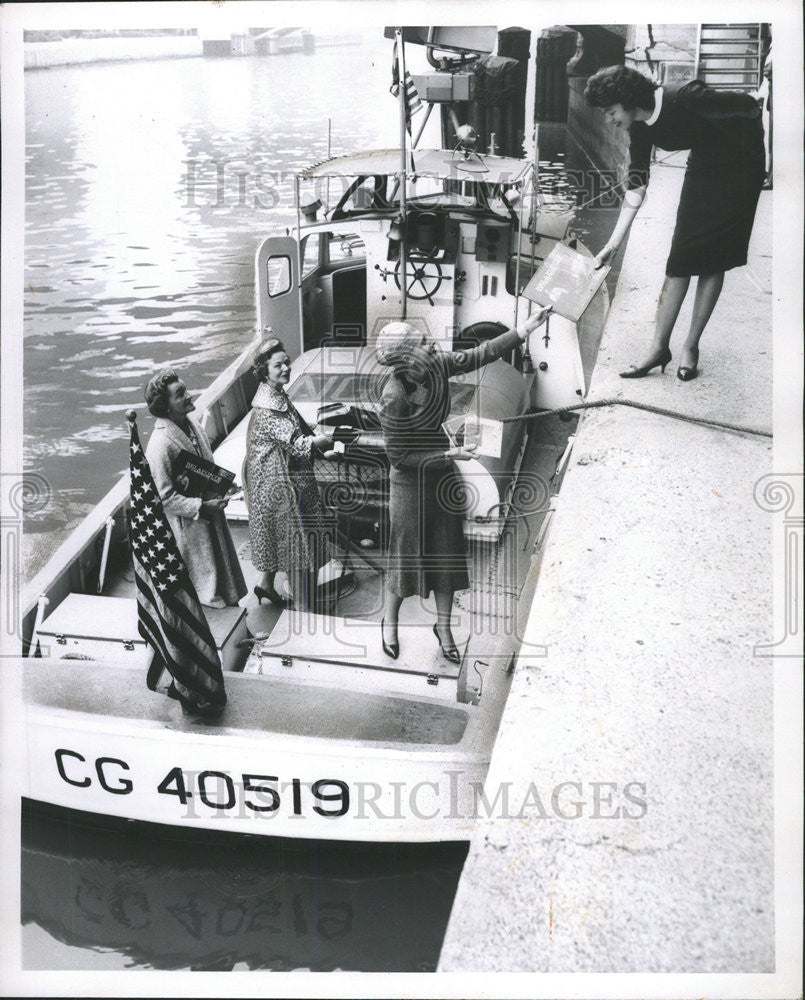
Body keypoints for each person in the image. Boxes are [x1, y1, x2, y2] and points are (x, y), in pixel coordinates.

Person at [374, 310, 550, 662]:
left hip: (441, 477)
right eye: (423, 343)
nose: (432, 344)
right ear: (407, 358)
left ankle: (444, 629)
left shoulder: (436, 364)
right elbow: (399, 458)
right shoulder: (394, 396)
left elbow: (479, 354)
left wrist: (524, 329)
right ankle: (389, 624)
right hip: (410, 488)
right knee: (404, 562)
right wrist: (448, 453)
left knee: (447, 555)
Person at [584, 64, 766, 382]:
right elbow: (637, 185)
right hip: (705, 163)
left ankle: (691, 347)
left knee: (715, 258)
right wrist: (613, 244)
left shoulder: (684, 97)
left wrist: (754, 147)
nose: (609, 120)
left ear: (626, 100)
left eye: (610, 110)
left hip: (741, 165)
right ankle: (658, 349)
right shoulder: (639, 127)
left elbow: (749, 105)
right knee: (681, 257)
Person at [144, 368, 247, 609]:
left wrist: (223, 484)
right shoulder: (159, 445)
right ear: (165, 405)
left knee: (224, 576)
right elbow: (164, 497)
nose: (188, 395)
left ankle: (233, 614)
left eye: (185, 389)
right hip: (191, 527)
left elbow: (202, 464)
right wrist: (201, 506)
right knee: (205, 587)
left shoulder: (191, 425)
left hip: (211, 515)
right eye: (180, 394)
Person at [245, 336, 334, 611]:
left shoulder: (275, 394)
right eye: (278, 366)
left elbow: (297, 428)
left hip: (277, 477)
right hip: (279, 485)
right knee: (297, 545)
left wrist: (317, 443)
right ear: (264, 371)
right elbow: (298, 445)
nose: (285, 369)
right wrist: (328, 439)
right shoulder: (268, 407)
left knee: (283, 541)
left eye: (286, 363)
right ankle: (305, 610)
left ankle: (265, 586)